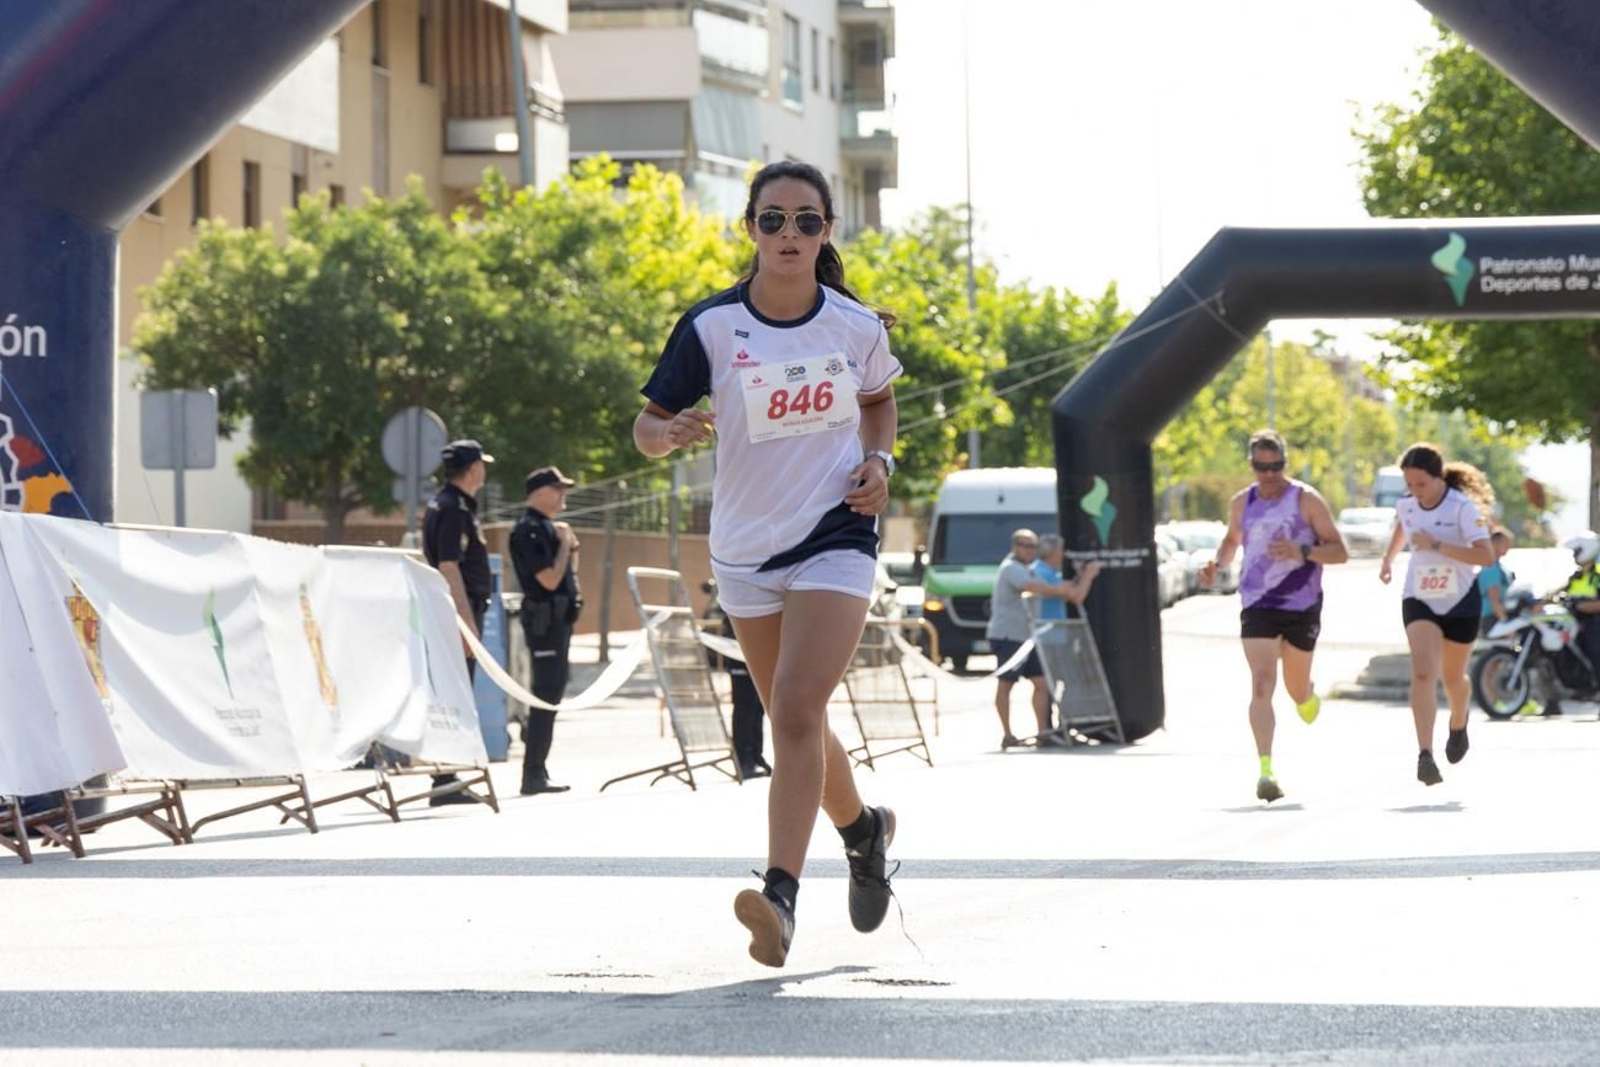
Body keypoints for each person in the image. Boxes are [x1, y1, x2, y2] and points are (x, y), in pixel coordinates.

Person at [633, 160, 901, 968]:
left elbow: (879, 401)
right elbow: (647, 425)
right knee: (803, 724)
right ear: (749, 227)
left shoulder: (855, 327)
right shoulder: (712, 326)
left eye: (807, 221)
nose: (790, 235)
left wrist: (880, 462)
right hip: (744, 552)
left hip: (835, 533)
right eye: (774, 219)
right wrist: (668, 435)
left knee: (790, 711)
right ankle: (864, 830)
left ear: (828, 233)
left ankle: (778, 897)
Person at [1202, 430, 1347, 803]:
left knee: (1295, 689)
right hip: (1257, 602)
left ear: (1285, 462)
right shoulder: (1241, 503)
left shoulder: (1306, 499)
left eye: (1276, 466)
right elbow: (1233, 541)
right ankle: (1265, 770)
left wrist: (1302, 549)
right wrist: (1217, 565)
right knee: (1262, 683)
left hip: (1301, 604)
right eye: (1261, 467)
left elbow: (1339, 552)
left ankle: (1307, 695)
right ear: (1251, 465)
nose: (1269, 474)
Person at [1379, 442, 1495, 786]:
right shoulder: (1407, 505)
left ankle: (1458, 721)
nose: (1416, 492)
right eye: (1409, 485)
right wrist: (1388, 559)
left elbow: (1486, 556)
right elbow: (1404, 525)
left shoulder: (1463, 508)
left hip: (1460, 600)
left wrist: (1439, 546)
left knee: (1453, 678)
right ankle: (1425, 754)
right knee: (1424, 671)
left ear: (1438, 477)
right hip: (1420, 596)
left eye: (1422, 484)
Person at [420, 438, 495, 806]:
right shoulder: (453, 508)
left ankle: (447, 777)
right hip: (457, 612)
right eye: (482, 464)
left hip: (453, 610)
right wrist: (465, 620)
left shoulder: (446, 503)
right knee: (455, 691)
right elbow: (449, 565)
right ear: (474, 469)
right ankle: (445, 780)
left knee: (454, 691)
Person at [988, 531, 1101, 748]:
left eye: (1033, 545)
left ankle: (1043, 732)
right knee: (1006, 685)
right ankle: (1007, 734)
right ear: (1014, 546)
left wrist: (1073, 581)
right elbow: (1033, 587)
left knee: (1042, 684)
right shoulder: (1011, 568)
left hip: (1028, 638)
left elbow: (1054, 587)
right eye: (1024, 545)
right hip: (1008, 636)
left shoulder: (1030, 569)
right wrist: (1061, 589)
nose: (1029, 549)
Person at [507, 466, 582, 796]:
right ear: (538, 493)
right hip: (544, 622)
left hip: (560, 621)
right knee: (544, 694)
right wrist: (564, 544)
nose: (562, 494)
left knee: (553, 693)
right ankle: (532, 773)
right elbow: (549, 580)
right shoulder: (529, 530)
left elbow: (568, 577)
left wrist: (570, 548)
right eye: (556, 488)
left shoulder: (549, 528)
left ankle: (539, 769)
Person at [1477, 528, 1514, 639]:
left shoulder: (1498, 566)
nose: (1508, 547)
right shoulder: (1490, 567)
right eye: (1505, 543)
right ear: (1494, 544)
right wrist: (1506, 624)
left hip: (1497, 615)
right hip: (1491, 618)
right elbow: (1494, 600)